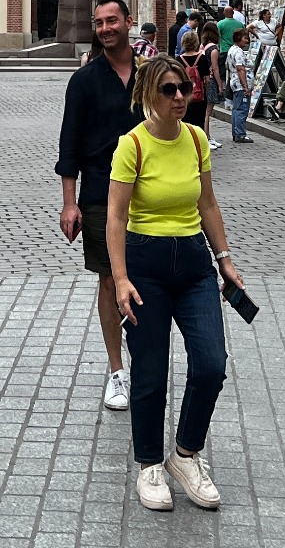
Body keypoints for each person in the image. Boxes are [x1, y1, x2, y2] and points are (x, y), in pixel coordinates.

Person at [107, 54, 244, 513]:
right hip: (144, 265)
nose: (181, 97)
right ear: (149, 94)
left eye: (184, 87)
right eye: (169, 90)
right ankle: (149, 465)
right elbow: (115, 216)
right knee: (150, 371)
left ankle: (185, 455)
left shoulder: (197, 138)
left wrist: (225, 260)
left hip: (193, 263)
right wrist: (120, 279)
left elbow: (208, 204)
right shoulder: (132, 145)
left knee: (211, 363)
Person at [56, 0, 146, 413]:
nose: (106, 28)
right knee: (110, 280)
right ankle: (117, 370)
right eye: (99, 23)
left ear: (129, 21)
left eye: (112, 20)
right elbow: (69, 142)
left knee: (145, 278)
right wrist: (68, 203)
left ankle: (144, 356)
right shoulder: (85, 80)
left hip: (149, 193)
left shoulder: (150, 75)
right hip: (99, 193)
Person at [178, 30, 216, 139]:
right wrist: (205, 91)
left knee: (185, 121)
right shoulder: (202, 58)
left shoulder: (179, 60)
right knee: (199, 122)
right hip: (199, 96)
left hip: (184, 96)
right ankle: (198, 142)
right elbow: (207, 80)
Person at [224, 26, 256, 143]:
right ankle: (240, 134)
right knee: (242, 109)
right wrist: (245, 86)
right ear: (238, 38)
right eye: (245, 38)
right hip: (239, 84)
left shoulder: (232, 49)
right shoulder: (238, 52)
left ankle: (236, 132)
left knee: (237, 109)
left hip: (235, 82)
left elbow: (228, 66)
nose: (247, 41)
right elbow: (240, 69)